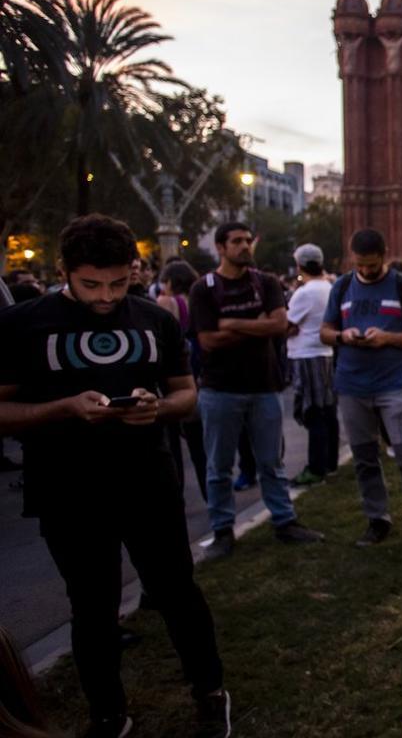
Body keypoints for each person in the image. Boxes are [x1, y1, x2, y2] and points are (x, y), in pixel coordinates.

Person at [0, 214, 231, 738]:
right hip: (67, 490)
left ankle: (211, 692)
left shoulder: (155, 319)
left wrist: (159, 406)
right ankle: (108, 713)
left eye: (118, 282)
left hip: (148, 479)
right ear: (64, 271)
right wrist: (63, 408)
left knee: (177, 592)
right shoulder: (21, 324)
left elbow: (185, 392)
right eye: (90, 285)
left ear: (133, 269)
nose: (106, 296)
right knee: (91, 605)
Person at [190, 221, 324, 560]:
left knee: (271, 461)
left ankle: (284, 521)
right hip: (219, 390)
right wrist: (258, 326)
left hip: (264, 386)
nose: (245, 246)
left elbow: (279, 326)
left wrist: (232, 324)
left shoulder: (264, 282)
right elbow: (207, 340)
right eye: (237, 241)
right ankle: (222, 530)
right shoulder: (204, 288)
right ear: (220, 247)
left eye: (248, 240)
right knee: (219, 467)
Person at [319, 228, 402, 553]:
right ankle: (378, 520)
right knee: (364, 459)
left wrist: (387, 338)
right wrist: (343, 337)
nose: (365, 271)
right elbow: (325, 331)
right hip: (351, 386)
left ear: (385, 255)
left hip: (394, 385)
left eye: (371, 266)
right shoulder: (342, 286)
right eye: (360, 265)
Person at [286, 244, 339, 487]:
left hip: (307, 355)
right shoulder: (329, 287)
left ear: (300, 265)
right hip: (325, 353)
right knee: (327, 411)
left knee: (313, 412)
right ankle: (330, 461)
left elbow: (288, 326)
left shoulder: (305, 292)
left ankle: (316, 467)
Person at [155, 260, 209, 498]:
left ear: (169, 282)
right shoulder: (198, 299)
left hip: (174, 374)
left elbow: (163, 341)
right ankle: (211, 493)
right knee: (201, 445)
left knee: (172, 445)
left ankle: (175, 496)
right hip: (198, 367)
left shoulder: (166, 303)